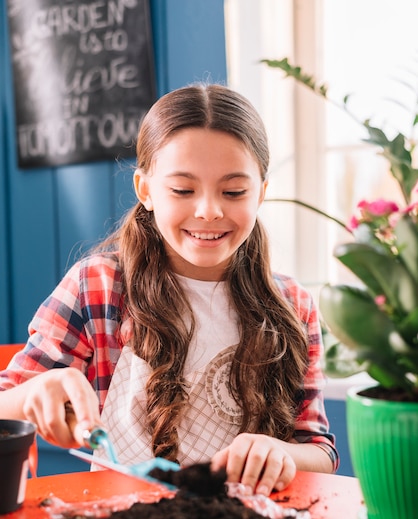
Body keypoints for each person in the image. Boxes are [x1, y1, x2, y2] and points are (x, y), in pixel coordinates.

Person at [0, 83, 338, 495]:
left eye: (234, 192)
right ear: (146, 191)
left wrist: (279, 452)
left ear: (261, 193)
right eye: (183, 189)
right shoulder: (98, 288)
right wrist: (34, 393)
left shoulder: (294, 304)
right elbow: (6, 404)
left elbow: (319, 450)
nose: (209, 210)